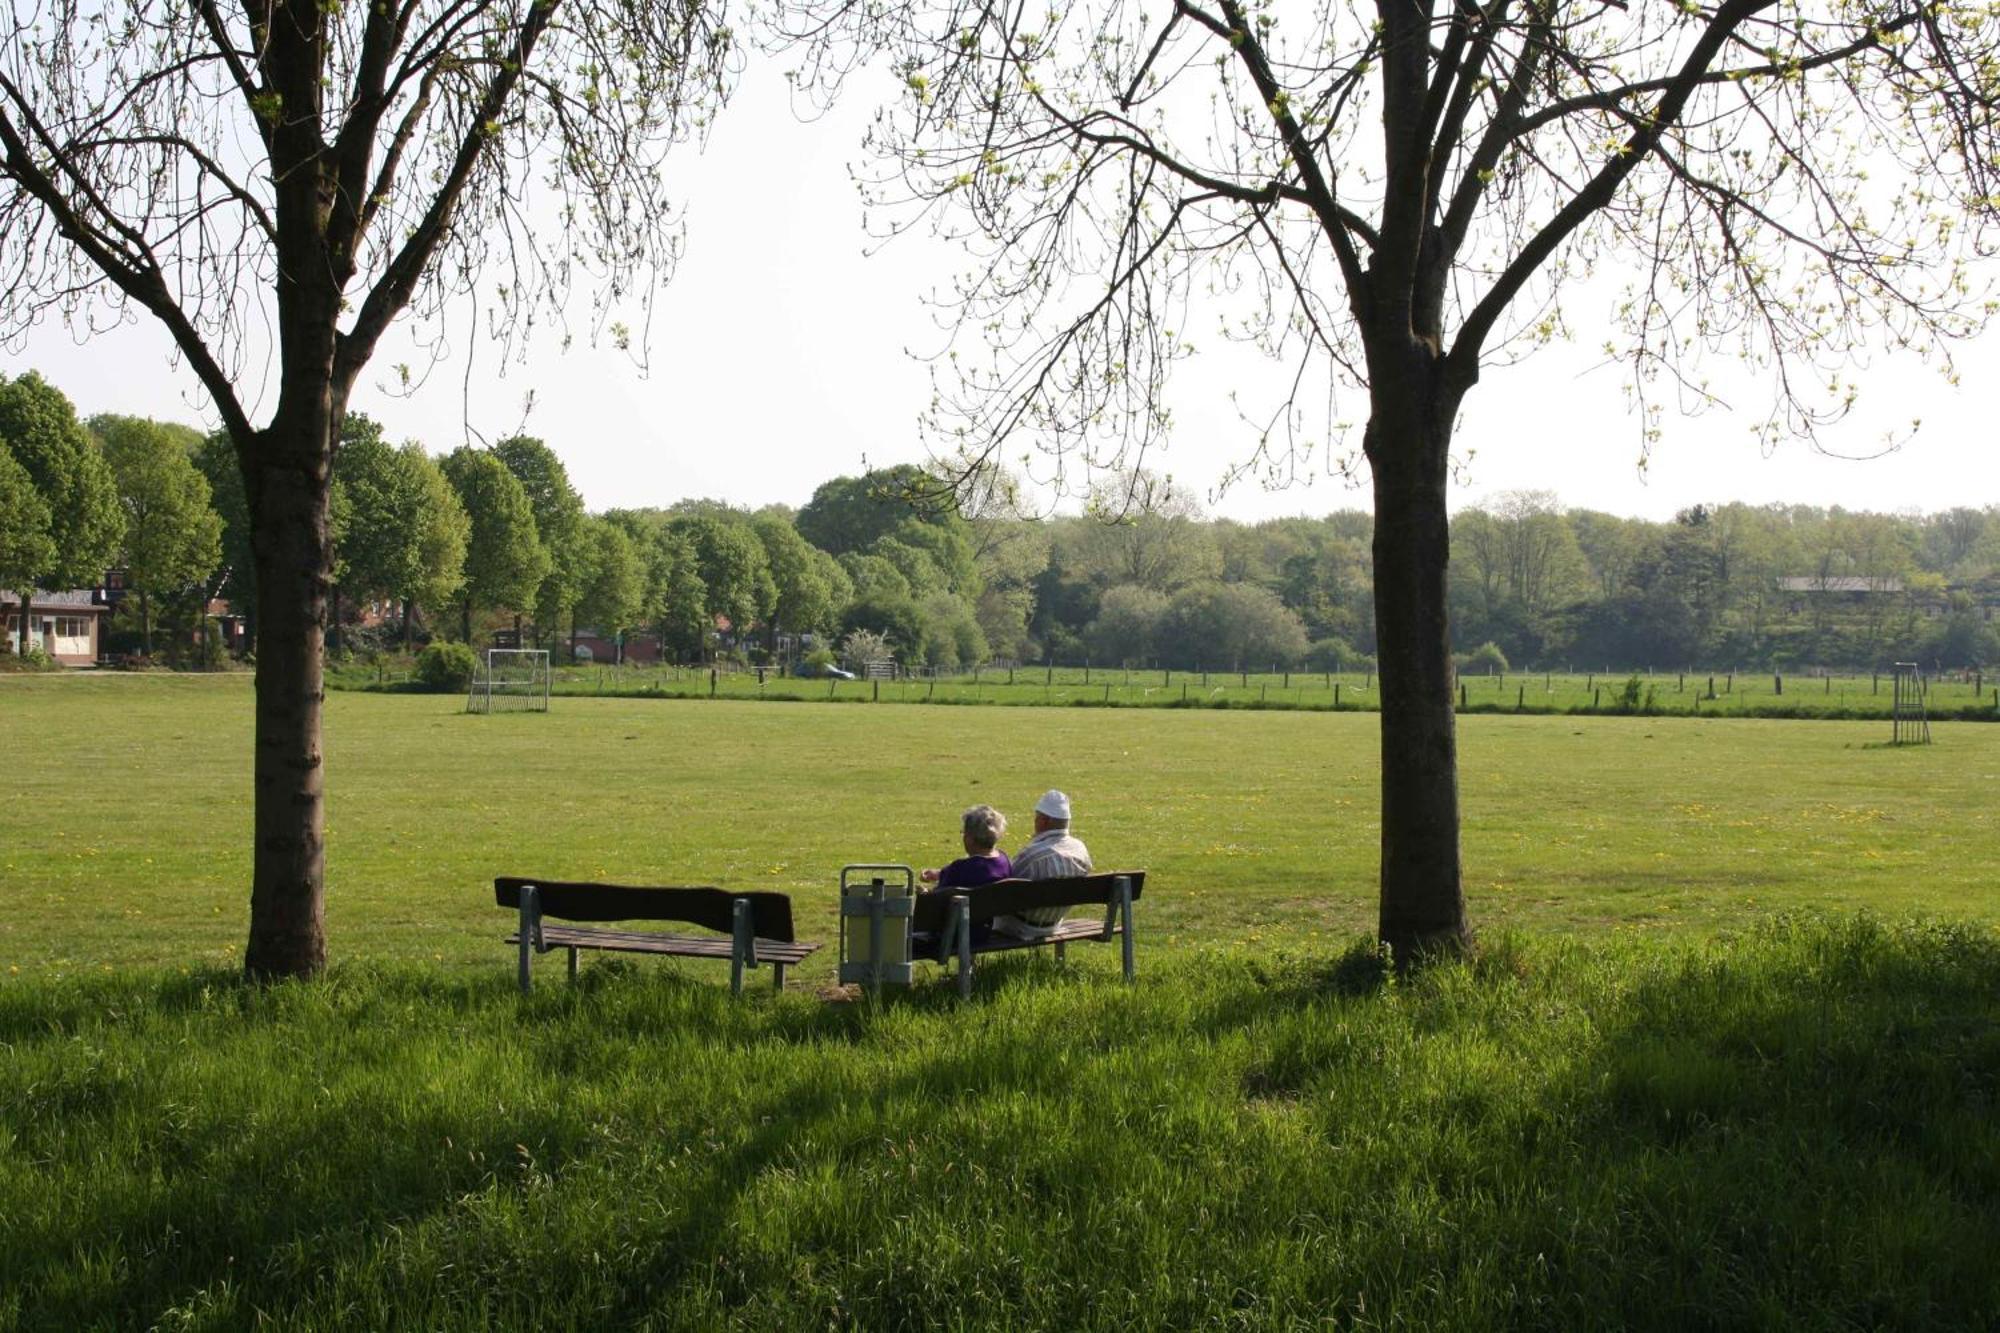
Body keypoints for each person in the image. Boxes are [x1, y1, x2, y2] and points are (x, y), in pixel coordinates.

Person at [996, 788, 1093, 937]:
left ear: (1044, 821)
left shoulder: (1032, 855)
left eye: (1037, 817)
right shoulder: (1081, 849)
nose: (1034, 821)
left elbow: (1006, 886)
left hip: (1020, 926)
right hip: (1055, 923)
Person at [919, 803, 1013, 891]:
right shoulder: (1004, 861)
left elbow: (938, 898)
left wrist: (925, 892)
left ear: (970, 838)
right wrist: (940, 874)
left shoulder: (959, 868)